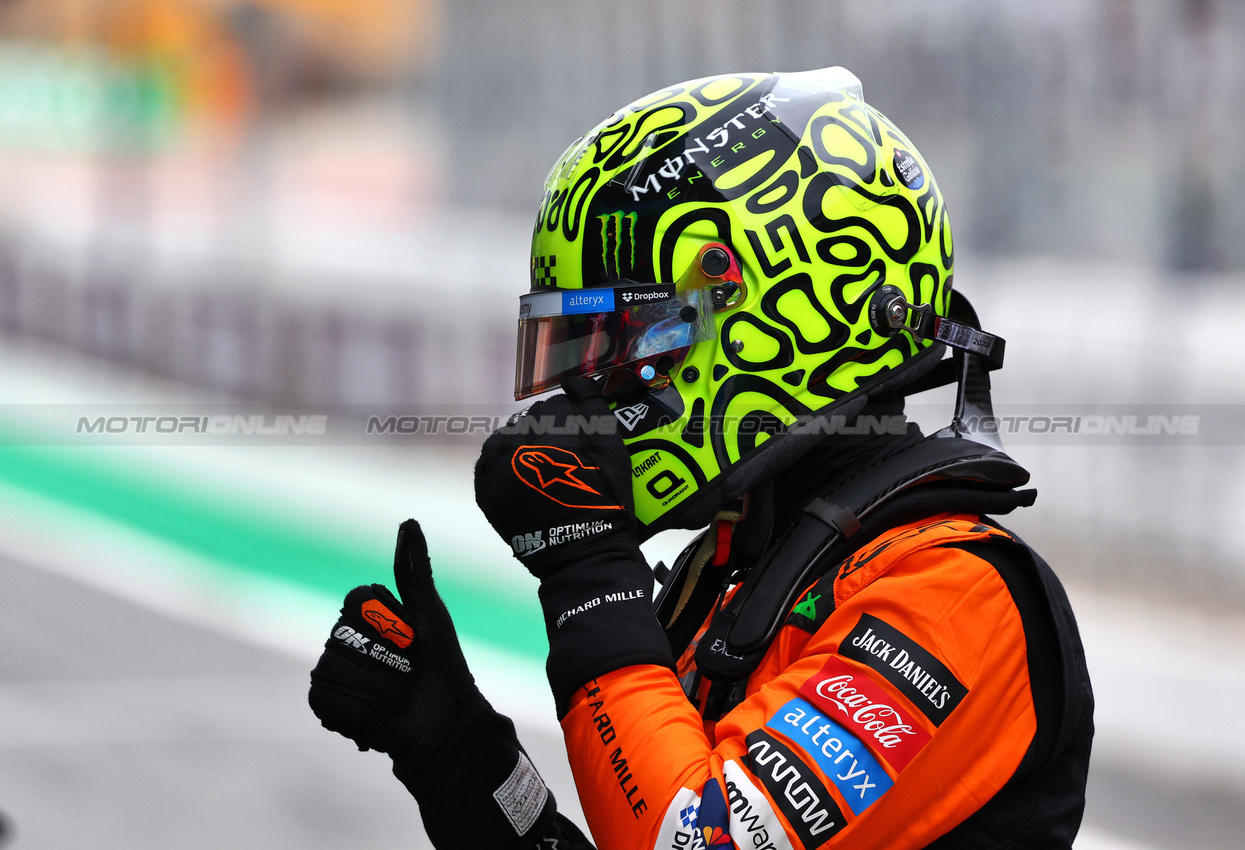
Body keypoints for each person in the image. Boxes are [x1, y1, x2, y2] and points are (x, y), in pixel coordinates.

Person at [308, 67, 1094, 849]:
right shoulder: (729, 576)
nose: (589, 395)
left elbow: (692, 841)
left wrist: (588, 573)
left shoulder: (955, 598)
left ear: (771, 313)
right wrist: (459, 757)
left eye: (625, 349)